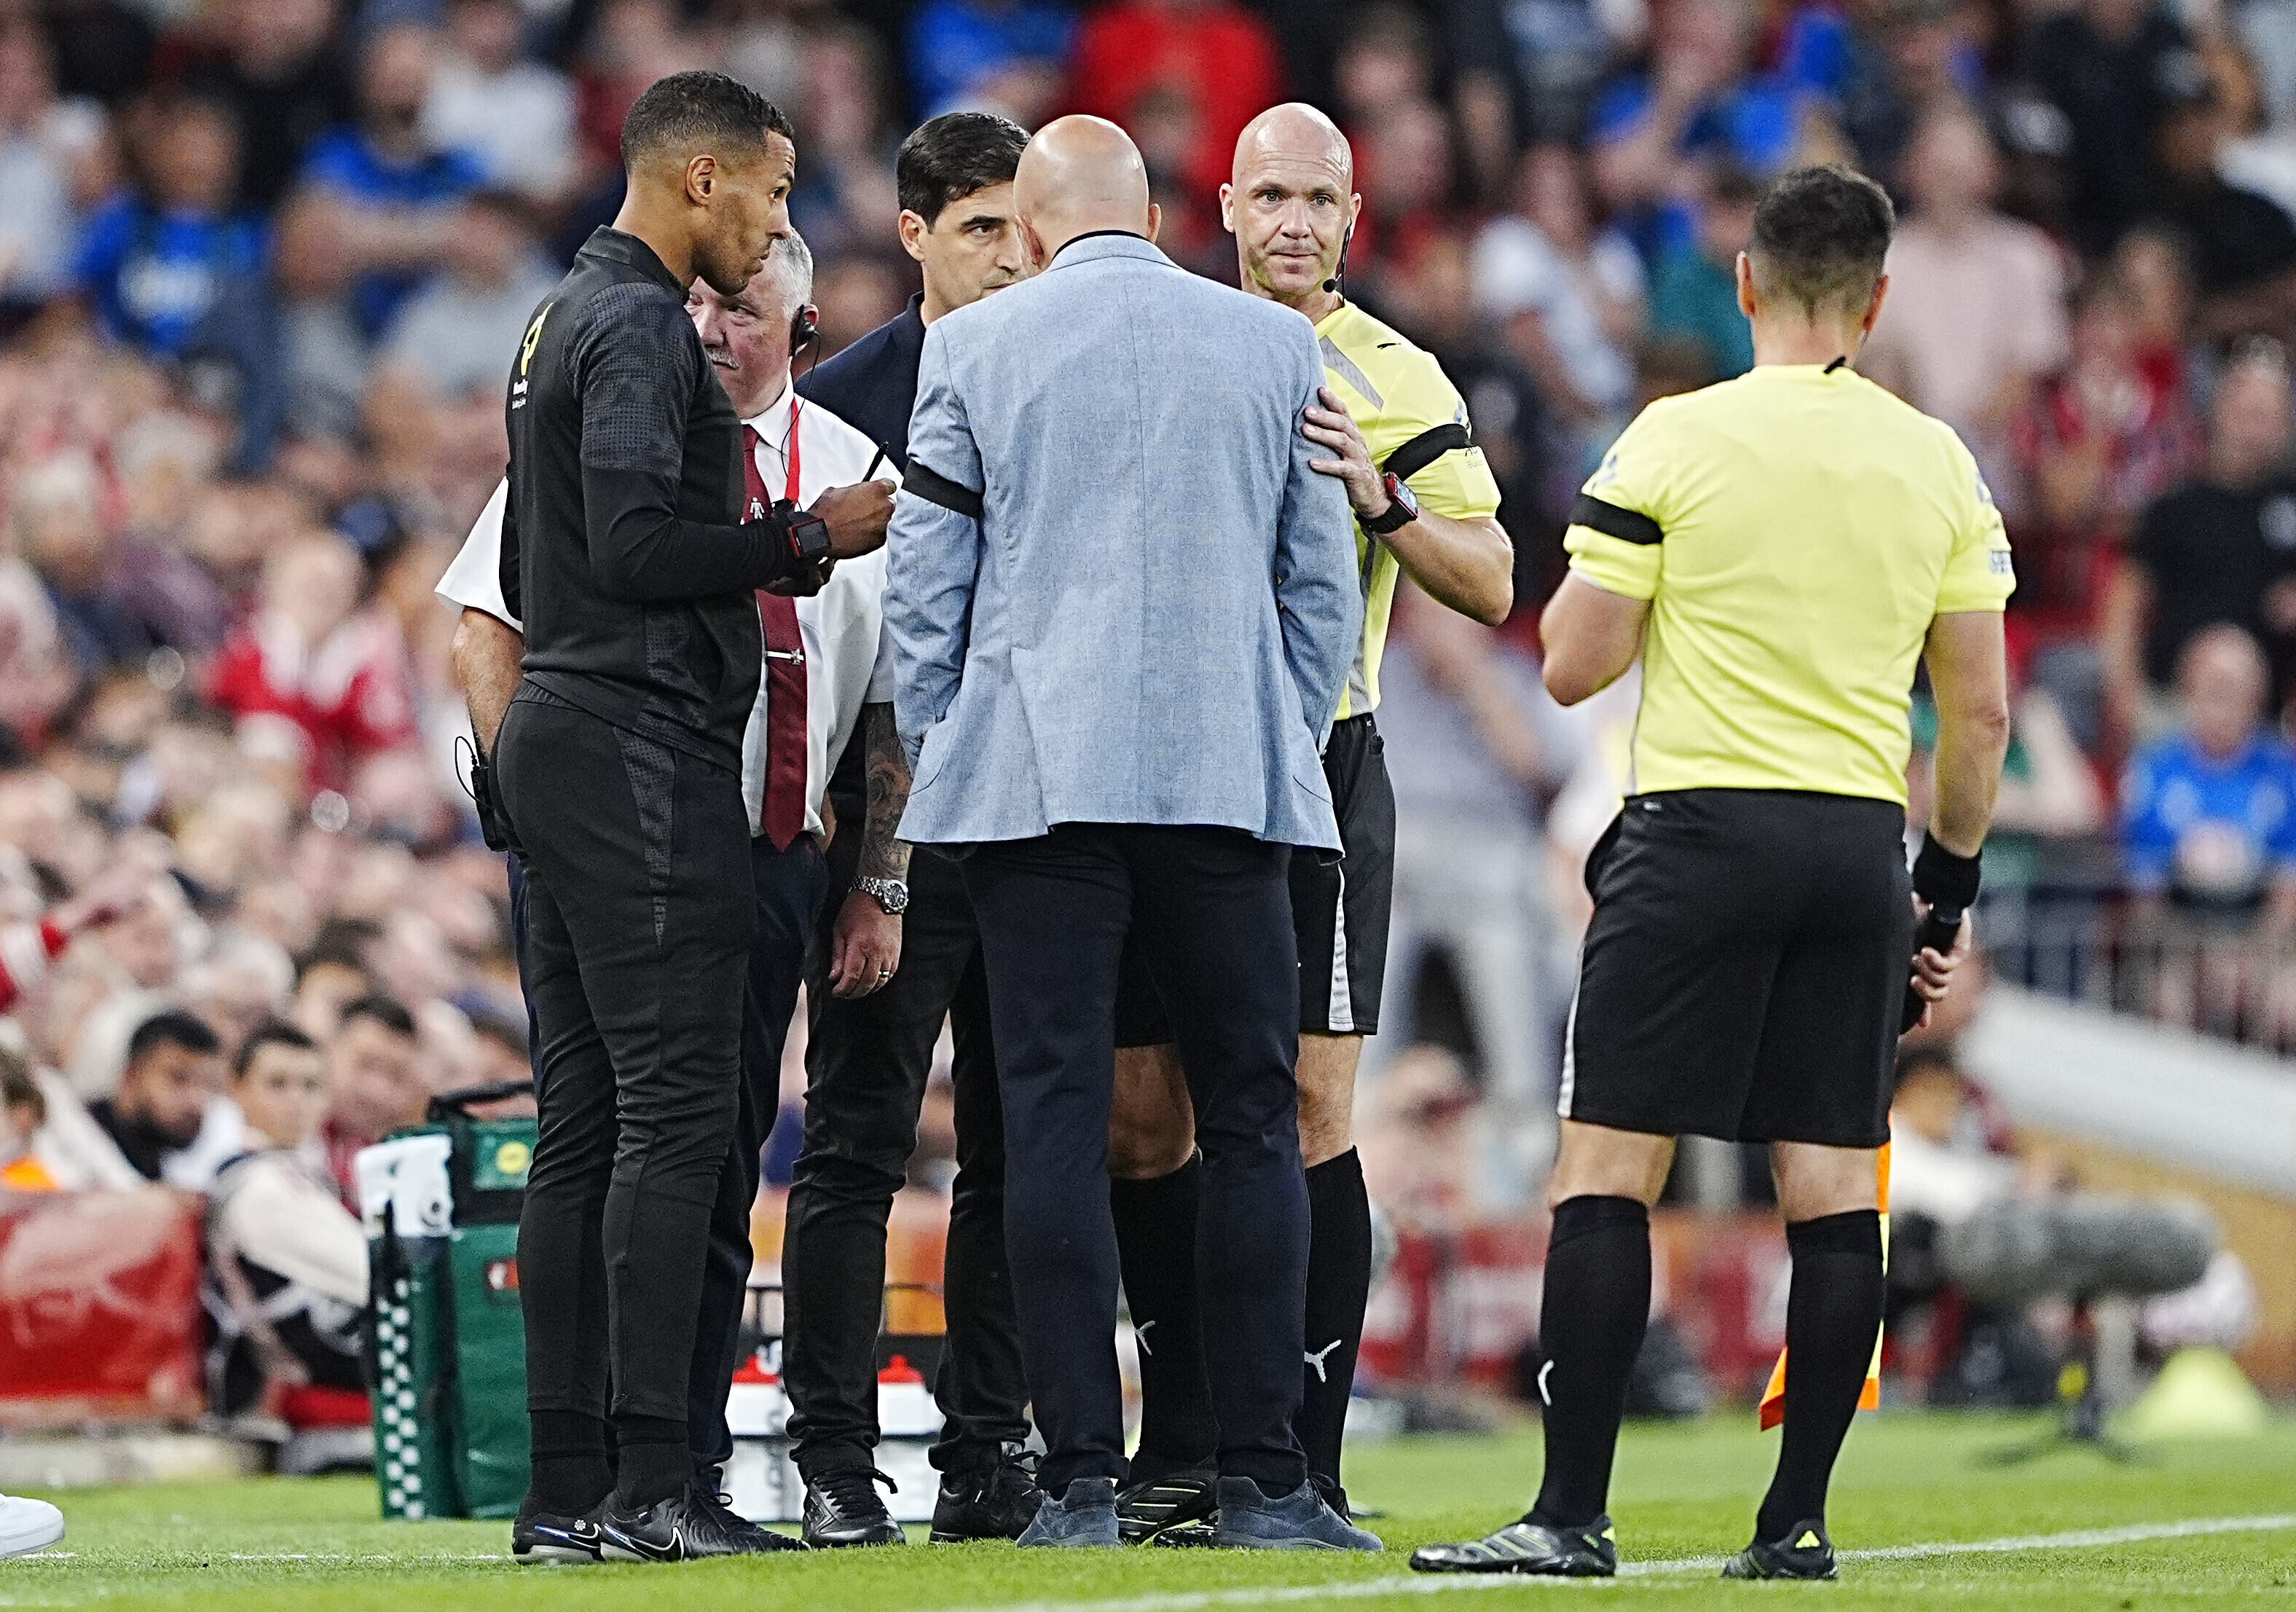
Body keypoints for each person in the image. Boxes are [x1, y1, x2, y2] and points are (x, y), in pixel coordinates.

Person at [1412, 165, 2013, 1581]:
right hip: (1853, 841)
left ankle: (1567, 1514)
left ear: (1744, 285)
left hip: (1695, 829)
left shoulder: (1670, 440)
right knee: (1828, 1186)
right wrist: (1945, 889)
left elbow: (1570, 665)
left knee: (1607, 1163)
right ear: (1873, 300)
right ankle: (1793, 1521)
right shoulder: (1936, 460)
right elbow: (1975, 712)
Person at [884, 113, 1371, 1552]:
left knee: (1047, 1127)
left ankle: (1080, 1480)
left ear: (1031, 229)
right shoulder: (1278, 348)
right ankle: (1266, 1478)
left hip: (1037, 791)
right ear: (1155, 216)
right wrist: (1271, 733)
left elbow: (928, 591)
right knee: (1250, 1123)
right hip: (1230, 786)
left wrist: (953, 744)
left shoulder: (973, 351)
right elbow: (1319, 585)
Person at [439, 224, 896, 1540]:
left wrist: (878, 880)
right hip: (629, 821)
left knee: (705, 1153)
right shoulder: (625, 417)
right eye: (700, 297)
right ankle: (639, 1476)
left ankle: (641, 1468)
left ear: (800, 332)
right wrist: (527, 808)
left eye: (745, 305)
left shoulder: (860, 471)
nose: (712, 323)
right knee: (652, 1135)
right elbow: (487, 622)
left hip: (769, 848)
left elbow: (892, 715)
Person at [1104, 101, 1513, 1541]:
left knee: (1305, 1108)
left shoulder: (1396, 375)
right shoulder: (1163, 343)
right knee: (1144, 1113)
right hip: (1164, 764)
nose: (1291, 219)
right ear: (1220, 207)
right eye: (1266, 193)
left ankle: (1301, 1458)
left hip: (1321, 769)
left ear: (1354, 215)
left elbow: (1494, 576)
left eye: (1317, 198)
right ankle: (1178, 1440)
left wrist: (1383, 493)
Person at [780, 109, 1041, 1551]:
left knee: (1019, 1143)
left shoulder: (1070, 382)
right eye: (985, 225)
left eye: (1028, 225)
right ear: (918, 232)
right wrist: (864, 855)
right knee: (860, 1137)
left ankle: (990, 1447)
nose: (1014, 254)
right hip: (889, 821)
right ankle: (832, 1450)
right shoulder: (852, 402)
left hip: (1040, 817)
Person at [203, 1021, 369, 1424]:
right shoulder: (259, 1187)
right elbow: (372, 1275)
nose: (296, 1101)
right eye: (277, 1085)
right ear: (236, 1088)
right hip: (314, 1381)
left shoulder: (297, 1173)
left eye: (311, 1086)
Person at [88, 1009, 225, 1184]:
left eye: (208, 1084)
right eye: (178, 1078)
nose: (196, 1100)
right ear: (131, 1075)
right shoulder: (71, 1149)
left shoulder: (158, 1170)